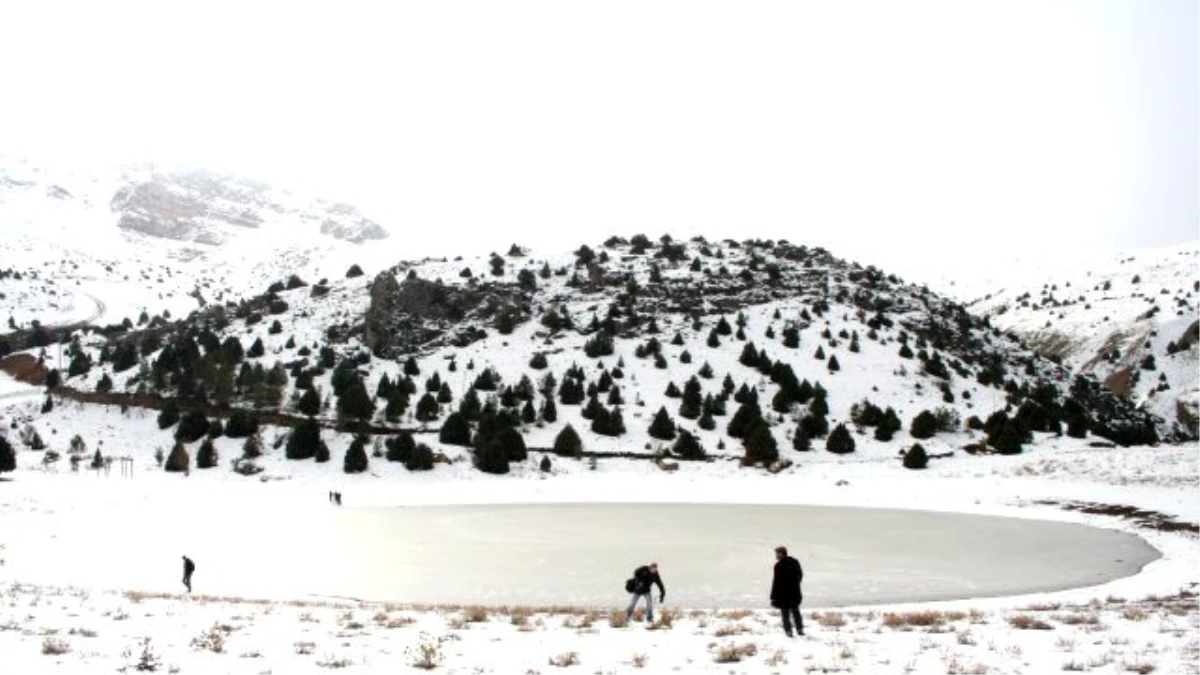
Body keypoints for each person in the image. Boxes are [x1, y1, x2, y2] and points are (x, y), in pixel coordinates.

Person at [770, 546, 803, 636]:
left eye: (777, 553)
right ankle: (800, 630)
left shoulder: (778, 566)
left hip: (783, 594)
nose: (776, 556)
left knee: (785, 614)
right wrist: (795, 585)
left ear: (781, 553)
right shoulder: (795, 562)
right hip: (795, 592)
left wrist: (773, 597)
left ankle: (788, 632)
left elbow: (776, 583)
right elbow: (800, 576)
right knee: (796, 612)